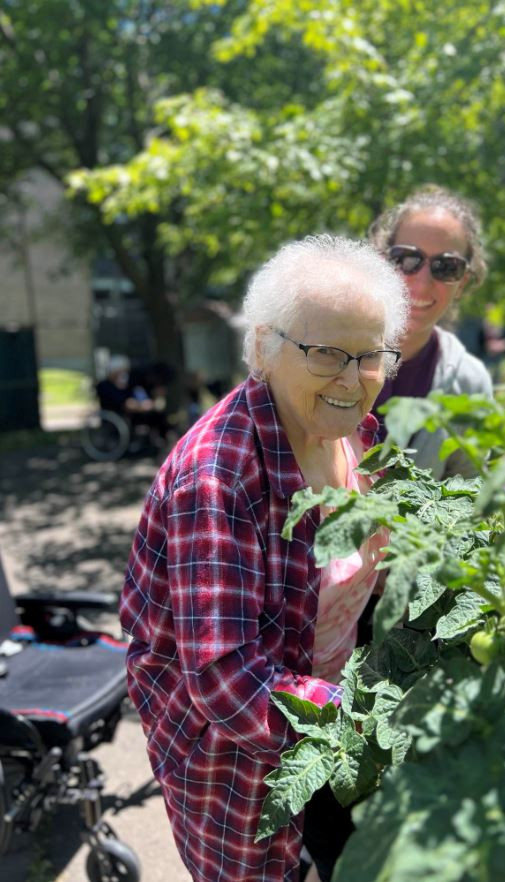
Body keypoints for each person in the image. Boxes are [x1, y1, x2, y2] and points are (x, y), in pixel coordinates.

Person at [119, 235, 408, 882]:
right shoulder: (217, 480)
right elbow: (226, 678)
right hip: (233, 759)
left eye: (368, 355)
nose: (351, 377)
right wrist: (374, 723)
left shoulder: (360, 436)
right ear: (262, 349)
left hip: (329, 718)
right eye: (326, 351)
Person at [369, 184, 493, 479]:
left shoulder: (469, 384)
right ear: (383, 261)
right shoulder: (321, 350)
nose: (422, 283)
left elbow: (467, 502)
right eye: (407, 259)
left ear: (462, 282)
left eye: (446, 266)